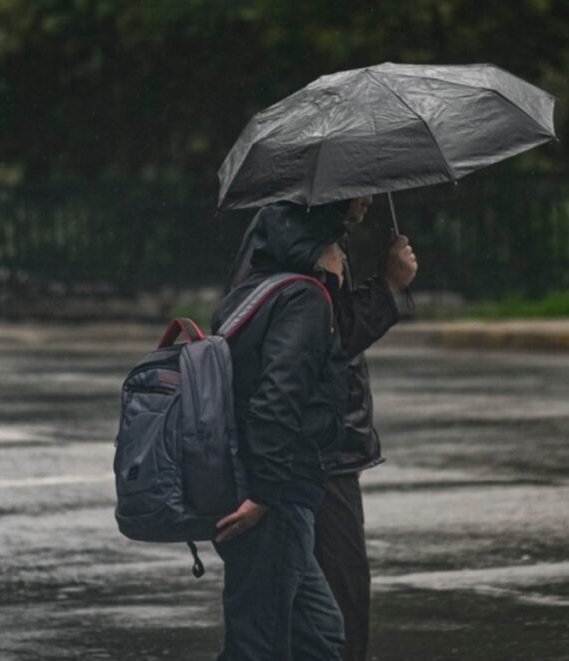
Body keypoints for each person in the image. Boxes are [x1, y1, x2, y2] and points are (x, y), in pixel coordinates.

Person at [225, 195, 418, 661]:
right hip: (305, 464)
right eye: (361, 187)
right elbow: (296, 371)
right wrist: (388, 286)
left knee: (311, 625)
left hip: (303, 462)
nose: (369, 197)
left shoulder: (291, 240)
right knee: (306, 622)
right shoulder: (302, 269)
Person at [209, 201, 353, 660]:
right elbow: (278, 396)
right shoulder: (305, 299)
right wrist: (265, 495)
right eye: (337, 244)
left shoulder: (251, 295)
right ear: (317, 246)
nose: (343, 255)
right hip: (275, 496)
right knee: (259, 644)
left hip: (250, 482)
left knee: (319, 633)